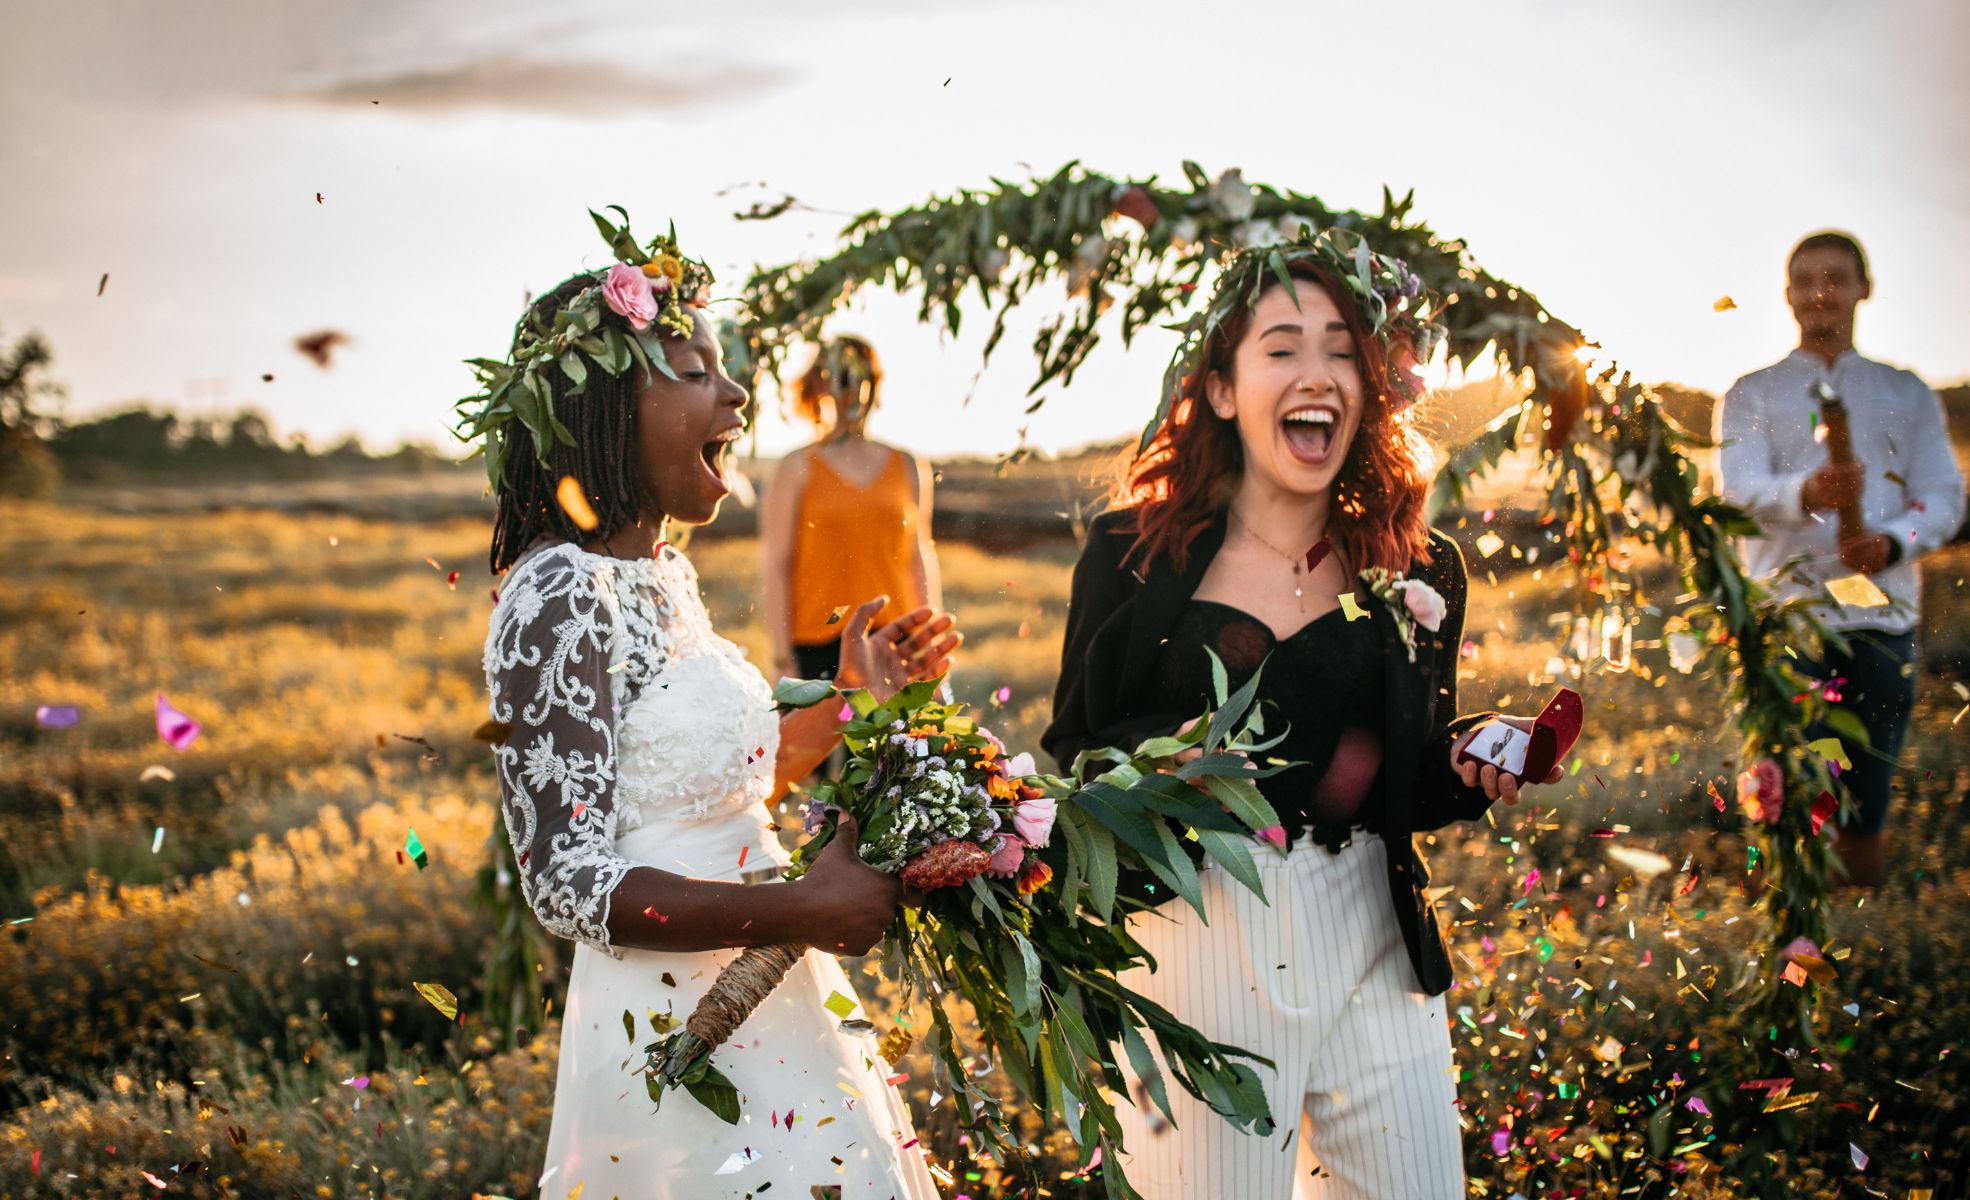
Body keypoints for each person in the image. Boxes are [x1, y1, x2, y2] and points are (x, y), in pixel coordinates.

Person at [1043, 231, 1566, 1200]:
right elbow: (1073, 752)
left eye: (1340, 348)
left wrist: (1468, 759)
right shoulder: (1129, 555)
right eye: (1280, 346)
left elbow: (1406, 773)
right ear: (1219, 388)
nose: (1314, 371)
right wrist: (1178, 769)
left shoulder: (1419, 566)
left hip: (1370, 929)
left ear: (1373, 388)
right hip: (1195, 932)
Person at [464, 212, 958, 1199]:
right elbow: (566, 882)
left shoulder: (664, 575)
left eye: (724, 369)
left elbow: (736, 783)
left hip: (773, 1002)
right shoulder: (554, 591)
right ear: (601, 410)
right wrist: (801, 906)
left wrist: (861, 695)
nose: (735, 392)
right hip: (667, 1018)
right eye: (694, 373)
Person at [1715, 230, 1964, 888]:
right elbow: (1736, 494)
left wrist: (1890, 542)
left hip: (1878, 613)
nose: (1821, 292)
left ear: (1864, 288)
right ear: (1788, 295)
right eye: (1806, 280)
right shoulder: (1751, 393)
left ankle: (1861, 943)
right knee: (1785, 785)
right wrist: (1806, 491)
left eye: (1836, 278)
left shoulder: (1906, 393)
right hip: (1786, 615)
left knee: (1868, 785)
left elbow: (1941, 495)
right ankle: (1792, 936)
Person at [761, 336, 941, 684]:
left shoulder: (906, 465)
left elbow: (917, 558)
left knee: (907, 740)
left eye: (863, 378)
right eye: (842, 376)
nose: (853, 389)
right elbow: (777, 564)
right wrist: (783, 659)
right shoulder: (795, 467)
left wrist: (929, 643)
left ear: (875, 385)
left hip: (895, 642)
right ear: (822, 384)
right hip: (817, 643)